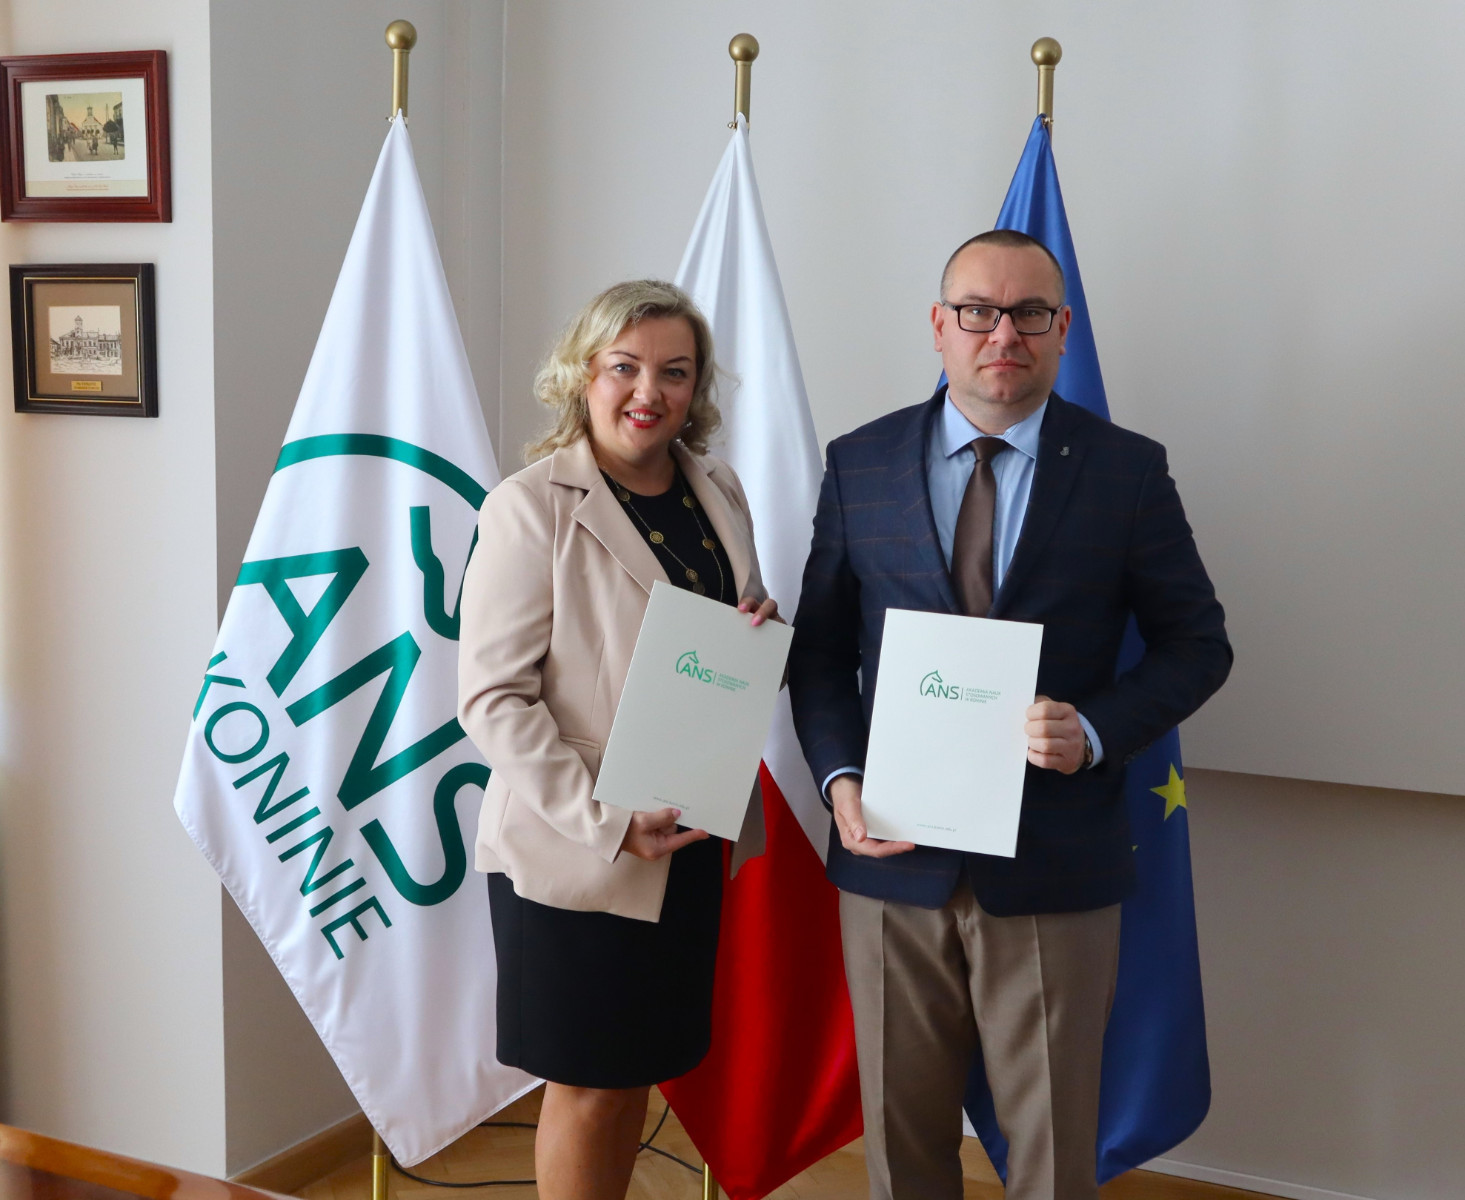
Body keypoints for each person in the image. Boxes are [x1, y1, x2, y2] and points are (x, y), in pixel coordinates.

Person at [787, 230, 1232, 1200]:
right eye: (978, 312)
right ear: (938, 325)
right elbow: (816, 654)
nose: (1003, 334)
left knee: (1052, 1151)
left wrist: (1095, 731)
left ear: (1062, 329)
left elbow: (1198, 645)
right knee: (901, 1147)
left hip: (1054, 858)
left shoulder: (1125, 471)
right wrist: (839, 778)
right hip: (889, 858)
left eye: (1029, 313)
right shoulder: (860, 463)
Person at [457, 279, 779, 1200]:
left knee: (637, 1069)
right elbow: (491, 698)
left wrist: (759, 626)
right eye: (624, 367)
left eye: (675, 372)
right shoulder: (528, 506)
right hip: (580, 847)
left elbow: (726, 628)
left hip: (685, 830)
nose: (649, 391)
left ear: (696, 387)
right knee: (588, 1085)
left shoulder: (717, 488)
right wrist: (604, 819)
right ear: (583, 374)